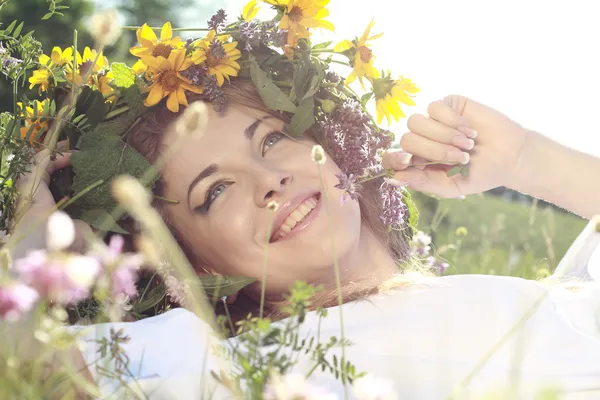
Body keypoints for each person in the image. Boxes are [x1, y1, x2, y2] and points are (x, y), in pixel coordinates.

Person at [12, 80, 600, 399]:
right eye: (214, 192)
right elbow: (29, 366)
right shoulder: (245, 367)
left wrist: (528, 160)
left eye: (269, 140)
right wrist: (33, 249)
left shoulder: (553, 301)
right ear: (192, 265)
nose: (269, 182)